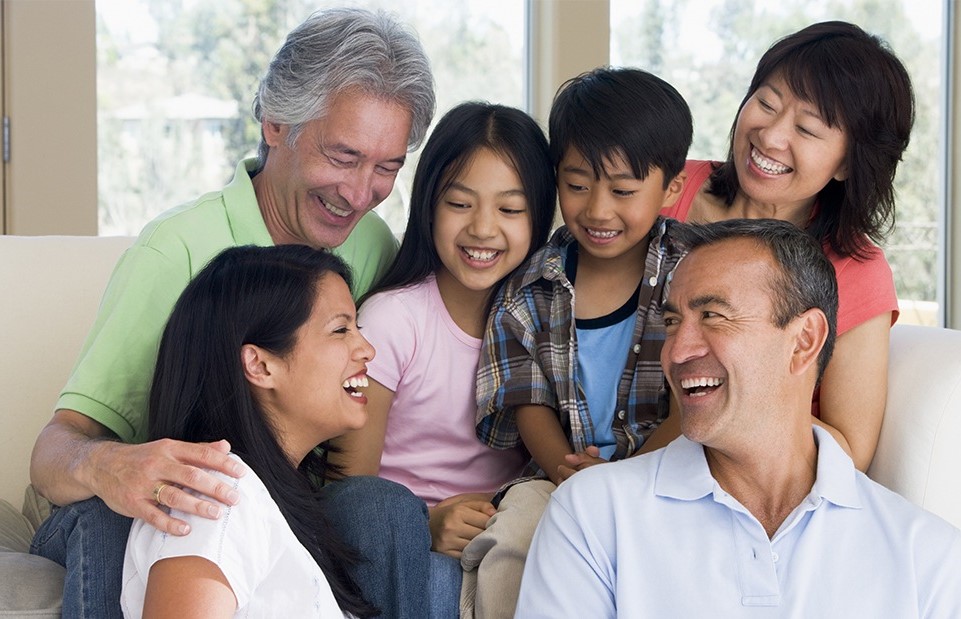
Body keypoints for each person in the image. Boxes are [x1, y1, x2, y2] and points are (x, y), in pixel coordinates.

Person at [28, 7, 437, 618]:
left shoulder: (370, 243)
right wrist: (116, 467)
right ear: (276, 123)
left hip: (276, 496)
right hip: (135, 507)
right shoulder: (175, 252)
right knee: (155, 514)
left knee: (376, 507)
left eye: (387, 168)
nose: (359, 194)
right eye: (344, 156)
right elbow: (56, 447)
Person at [516, 219, 961, 618]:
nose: (677, 351)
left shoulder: (928, 557)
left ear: (805, 340)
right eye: (672, 322)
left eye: (713, 315)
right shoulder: (592, 515)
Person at [464, 67, 693, 618]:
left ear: (673, 188)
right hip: (560, 478)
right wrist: (574, 475)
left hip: (674, 473)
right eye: (577, 184)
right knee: (516, 530)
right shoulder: (526, 288)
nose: (597, 210)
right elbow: (526, 400)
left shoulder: (696, 274)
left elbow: (699, 396)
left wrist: (628, 481)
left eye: (623, 190)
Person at [660, 20, 914, 471]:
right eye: (765, 103)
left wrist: (726, 399)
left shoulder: (855, 270)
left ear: (848, 165)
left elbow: (848, 452)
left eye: (808, 129)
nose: (771, 136)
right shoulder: (667, 187)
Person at [328, 101, 555, 585]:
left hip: (508, 541)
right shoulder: (394, 319)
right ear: (428, 205)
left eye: (510, 208)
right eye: (459, 203)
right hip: (407, 552)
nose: (482, 228)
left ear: (539, 217)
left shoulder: (549, 322)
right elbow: (352, 497)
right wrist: (423, 525)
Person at [122, 245, 377, 618]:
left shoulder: (256, 499)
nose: (366, 349)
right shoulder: (218, 500)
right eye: (340, 330)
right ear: (259, 365)